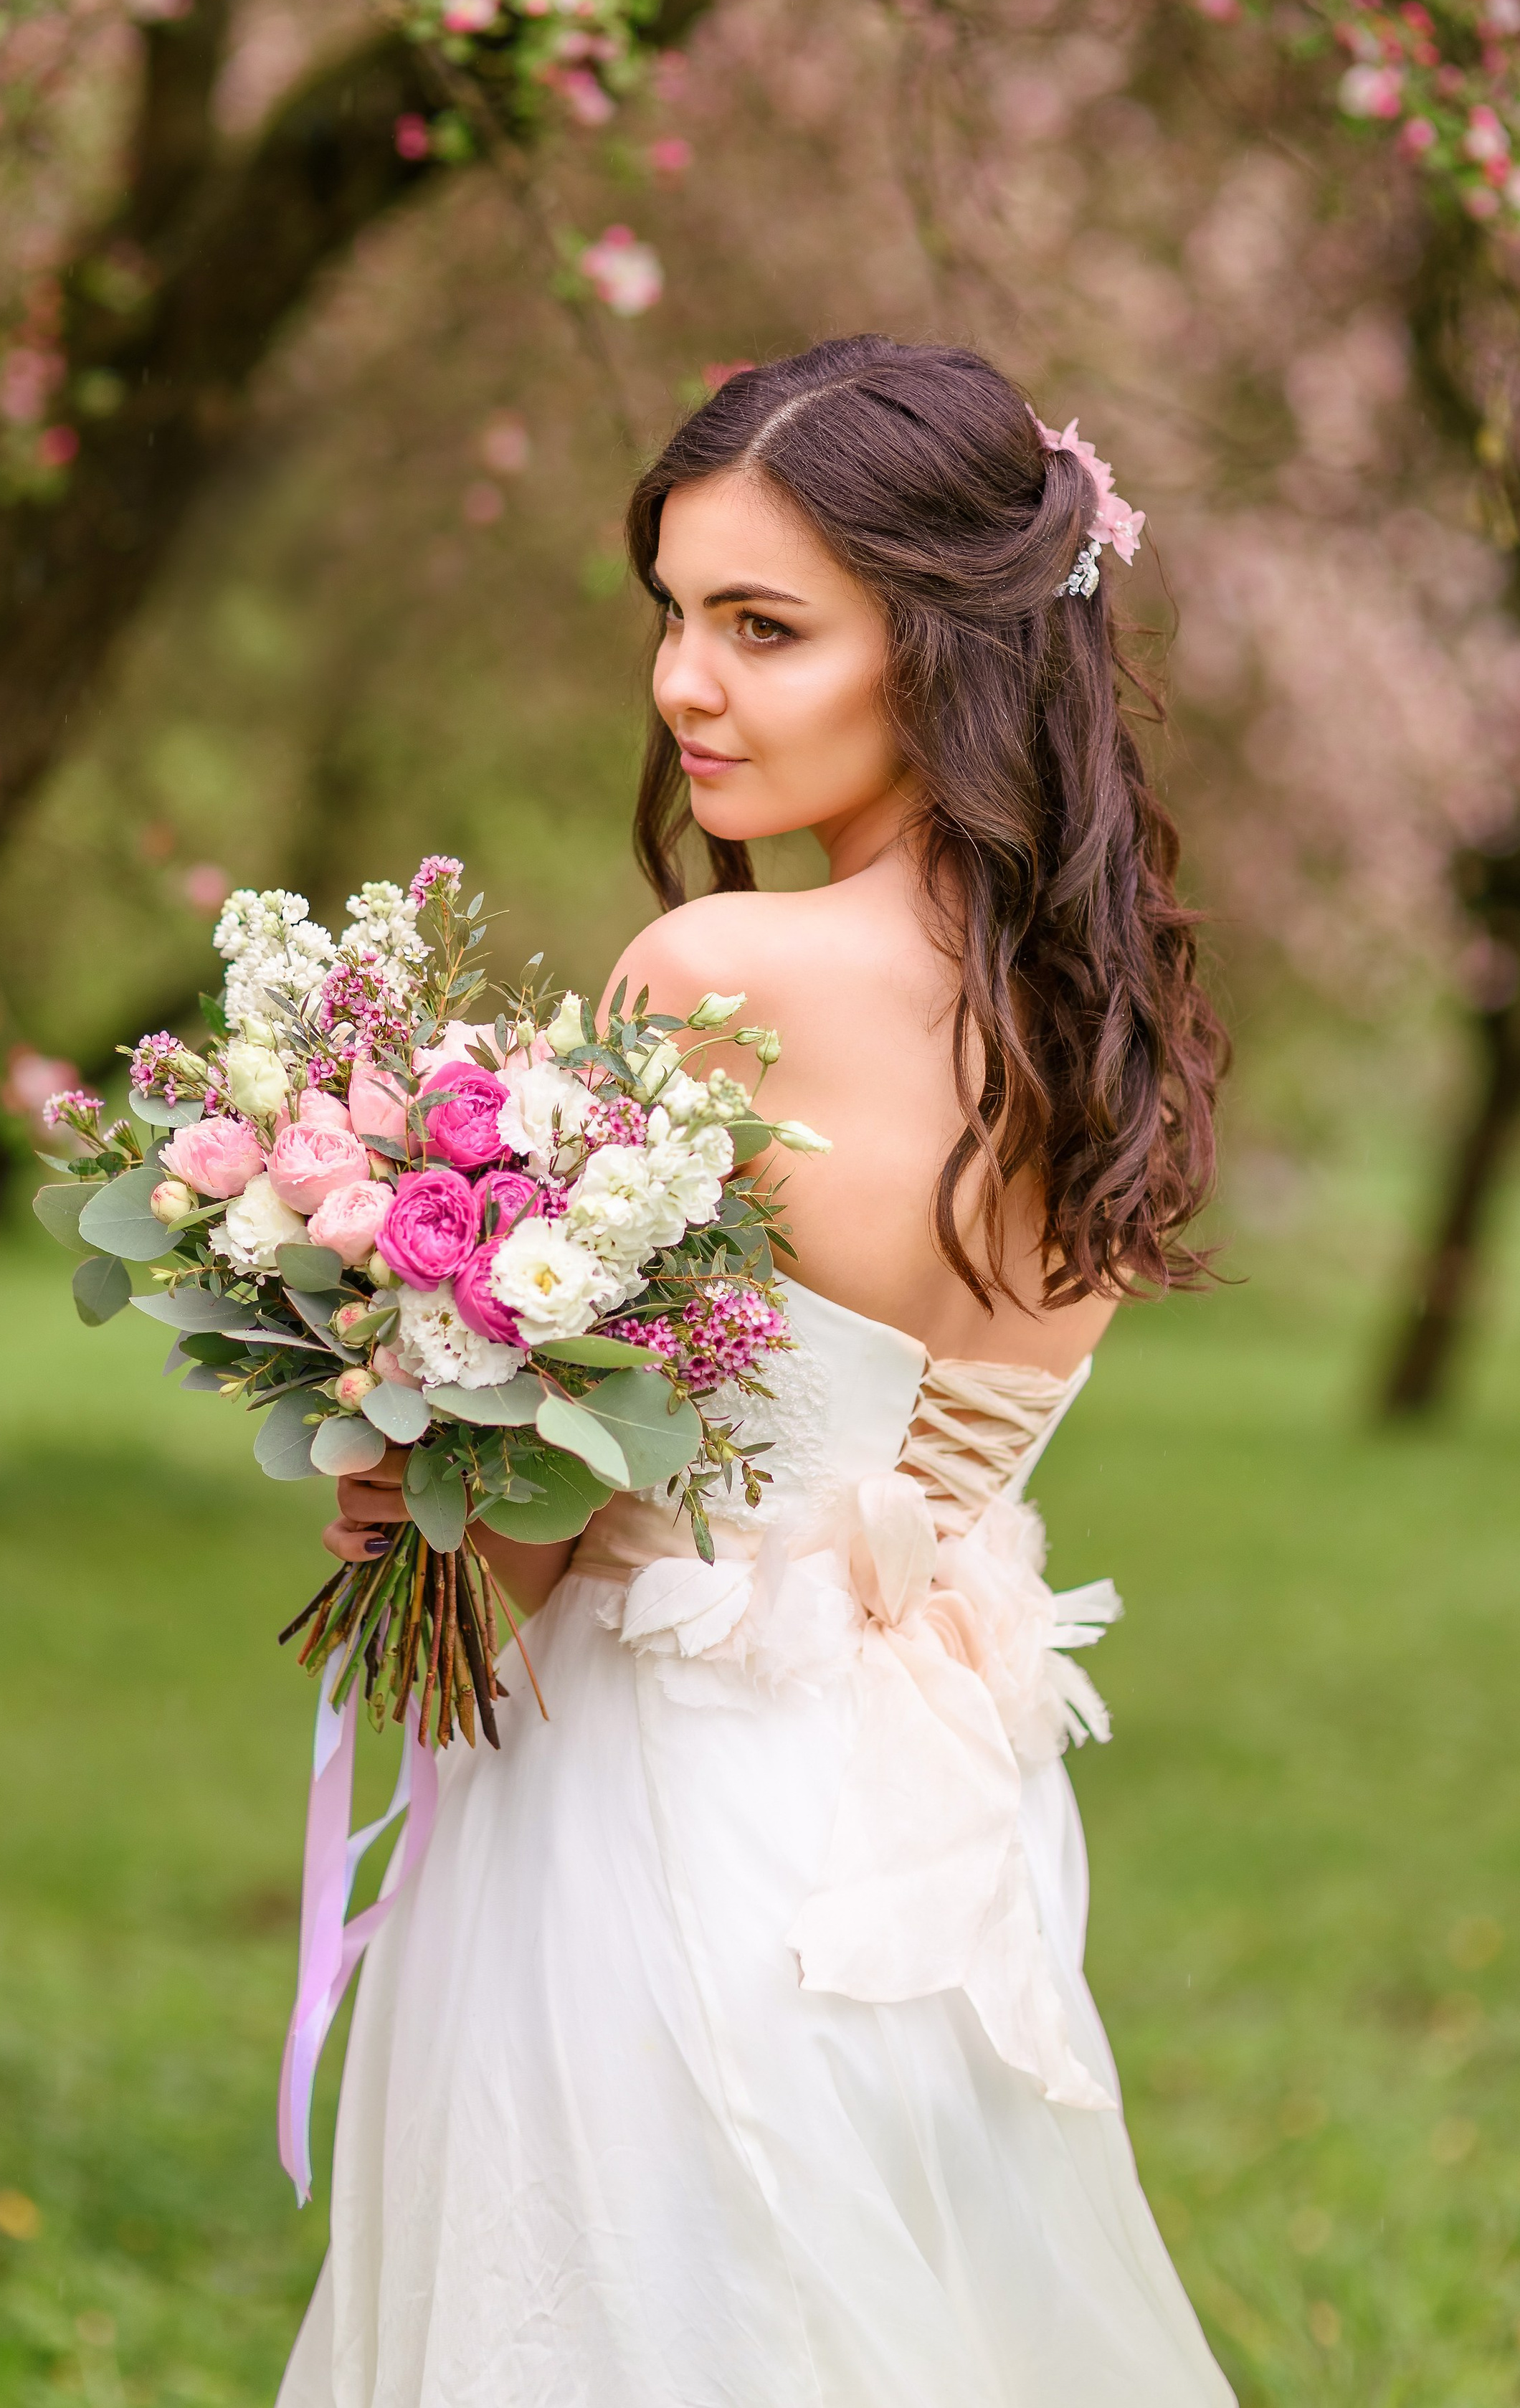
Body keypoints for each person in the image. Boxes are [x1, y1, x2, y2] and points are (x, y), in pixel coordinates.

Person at [278, 338, 1235, 2407]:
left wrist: (410, 1444)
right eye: (675, 617)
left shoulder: (723, 979)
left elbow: (551, 1530)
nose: (685, 683)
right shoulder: (1099, 1015)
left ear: (951, 649)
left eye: (764, 627)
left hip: (657, 1804)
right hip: (931, 1832)